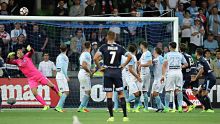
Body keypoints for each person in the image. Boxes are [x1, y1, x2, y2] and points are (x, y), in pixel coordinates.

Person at [7, 45, 61, 110]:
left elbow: (32, 52)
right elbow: (8, 62)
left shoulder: (27, 56)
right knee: (34, 93)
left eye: (20, 52)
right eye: (18, 53)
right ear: (17, 55)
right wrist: (8, 57)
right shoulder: (17, 61)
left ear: (23, 53)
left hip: (38, 75)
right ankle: (45, 105)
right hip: (31, 79)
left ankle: (58, 92)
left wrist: (30, 49)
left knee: (51, 85)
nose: (19, 54)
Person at [93, 31, 132, 122]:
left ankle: (111, 117)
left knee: (109, 95)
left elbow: (95, 58)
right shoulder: (119, 47)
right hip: (117, 71)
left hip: (107, 72)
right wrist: (123, 65)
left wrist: (99, 67)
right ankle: (125, 116)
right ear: (114, 37)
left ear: (107, 37)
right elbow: (130, 56)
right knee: (121, 94)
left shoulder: (103, 47)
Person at [161, 42, 188, 113]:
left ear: (170, 47)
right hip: (179, 72)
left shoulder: (167, 55)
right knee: (179, 90)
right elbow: (186, 64)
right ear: (176, 47)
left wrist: (163, 75)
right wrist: (180, 67)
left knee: (168, 91)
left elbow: (164, 65)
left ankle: (166, 108)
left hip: (170, 72)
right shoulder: (180, 54)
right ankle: (179, 107)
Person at [191, 48, 216, 112]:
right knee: (199, 92)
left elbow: (201, 70)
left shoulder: (200, 60)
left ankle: (209, 109)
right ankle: (206, 108)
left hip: (210, 78)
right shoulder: (203, 59)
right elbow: (205, 70)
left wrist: (196, 78)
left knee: (204, 93)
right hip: (208, 77)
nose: (195, 54)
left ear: (197, 53)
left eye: (195, 53)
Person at [179, 43, 196, 112]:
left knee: (179, 91)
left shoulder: (181, 56)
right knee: (181, 91)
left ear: (179, 49)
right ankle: (187, 105)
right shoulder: (189, 56)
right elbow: (193, 66)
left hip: (185, 75)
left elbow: (185, 65)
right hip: (188, 75)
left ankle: (190, 104)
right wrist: (193, 74)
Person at [78, 41, 94, 112]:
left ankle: (83, 107)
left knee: (87, 91)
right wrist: (89, 72)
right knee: (88, 91)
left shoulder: (82, 54)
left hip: (82, 73)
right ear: (90, 46)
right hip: (84, 73)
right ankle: (81, 107)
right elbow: (84, 65)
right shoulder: (87, 54)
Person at [125, 44, 141, 113]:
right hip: (130, 78)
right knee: (137, 93)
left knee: (139, 93)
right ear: (135, 50)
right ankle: (125, 102)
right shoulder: (131, 57)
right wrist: (137, 77)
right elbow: (130, 69)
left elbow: (133, 68)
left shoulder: (132, 57)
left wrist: (137, 73)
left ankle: (135, 108)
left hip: (133, 77)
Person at [138, 41, 153, 112]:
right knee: (143, 91)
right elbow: (139, 62)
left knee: (139, 90)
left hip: (145, 73)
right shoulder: (143, 54)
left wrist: (141, 65)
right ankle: (145, 107)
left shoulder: (148, 53)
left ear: (142, 45)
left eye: (140, 45)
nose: (140, 46)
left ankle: (139, 105)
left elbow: (150, 63)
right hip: (142, 73)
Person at [55, 44, 70, 112]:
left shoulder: (58, 56)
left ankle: (59, 106)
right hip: (62, 75)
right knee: (66, 92)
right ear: (66, 49)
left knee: (64, 92)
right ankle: (58, 107)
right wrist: (66, 76)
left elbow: (57, 68)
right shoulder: (65, 57)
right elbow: (63, 67)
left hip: (58, 74)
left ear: (60, 50)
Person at [151, 47, 164, 112]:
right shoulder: (154, 59)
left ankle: (160, 108)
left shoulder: (161, 58)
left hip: (160, 78)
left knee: (156, 93)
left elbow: (165, 65)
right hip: (156, 78)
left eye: (153, 51)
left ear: (156, 51)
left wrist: (164, 75)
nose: (152, 52)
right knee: (153, 94)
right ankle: (162, 107)